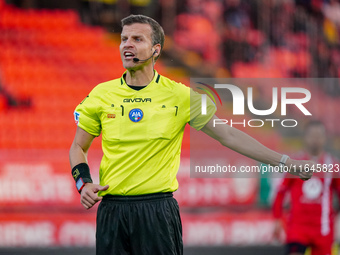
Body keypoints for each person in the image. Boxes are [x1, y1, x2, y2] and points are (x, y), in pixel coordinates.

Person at [69, 14, 314, 255]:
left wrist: (284, 162)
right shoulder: (101, 94)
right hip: (112, 212)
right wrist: (83, 184)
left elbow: (228, 134)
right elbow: (78, 147)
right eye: (124, 39)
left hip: (157, 211)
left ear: (156, 50)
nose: (127, 45)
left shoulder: (180, 96)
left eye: (137, 39)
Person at [272, 120, 340, 255]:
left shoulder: (332, 165)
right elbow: (281, 192)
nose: (315, 139)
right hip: (298, 228)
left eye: (319, 135)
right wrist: (277, 219)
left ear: (324, 138)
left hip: (323, 228)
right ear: (305, 137)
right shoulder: (295, 164)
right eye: (312, 135)